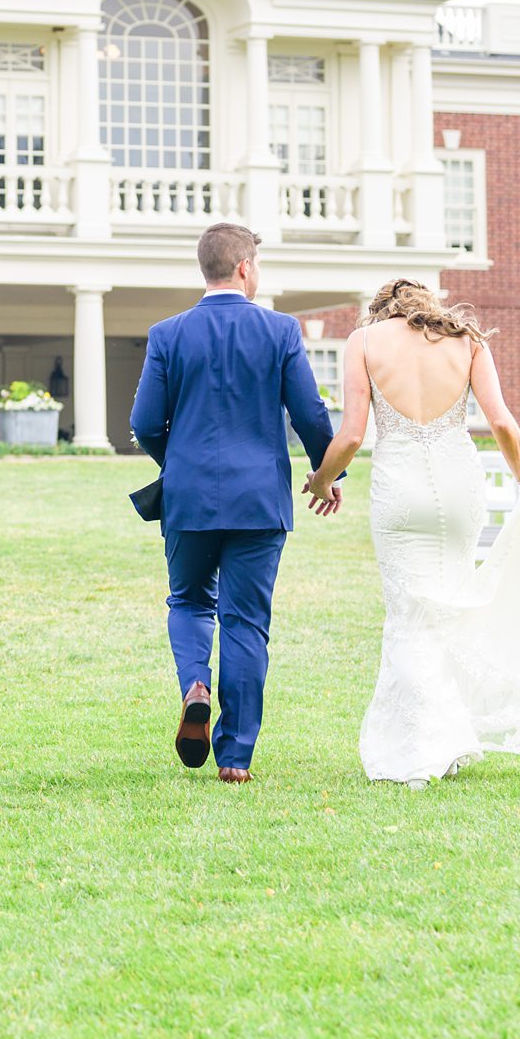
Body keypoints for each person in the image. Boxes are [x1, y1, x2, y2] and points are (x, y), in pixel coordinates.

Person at [302, 279, 520, 787]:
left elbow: (353, 434)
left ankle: (419, 751)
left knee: (409, 614)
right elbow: (501, 421)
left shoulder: (364, 342)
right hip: (458, 487)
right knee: (447, 609)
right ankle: (447, 742)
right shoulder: (467, 341)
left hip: (400, 489)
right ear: (428, 308)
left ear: (381, 310)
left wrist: (321, 479)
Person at [129, 224, 334, 783]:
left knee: (190, 601)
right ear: (245, 267)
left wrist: (182, 461)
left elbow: (144, 423)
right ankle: (236, 756)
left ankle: (196, 684)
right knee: (245, 621)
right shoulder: (281, 330)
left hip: (189, 498)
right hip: (260, 501)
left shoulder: (167, 334)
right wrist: (324, 472)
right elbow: (310, 414)